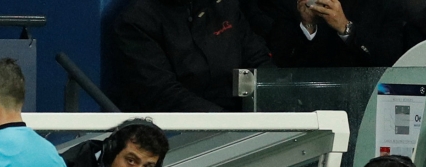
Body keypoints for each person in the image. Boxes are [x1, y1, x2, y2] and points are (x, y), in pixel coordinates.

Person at [112, 0, 273, 113]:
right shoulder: (136, 20)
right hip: (183, 130)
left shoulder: (224, 4)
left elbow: (257, 58)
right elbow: (162, 93)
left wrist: (277, 97)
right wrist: (223, 119)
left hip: (244, 117)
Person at [268, 0, 407, 67]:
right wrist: (308, 25)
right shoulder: (295, 3)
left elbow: (390, 59)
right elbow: (280, 61)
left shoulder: (387, 4)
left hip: (365, 97)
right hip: (307, 100)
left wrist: (346, 28)